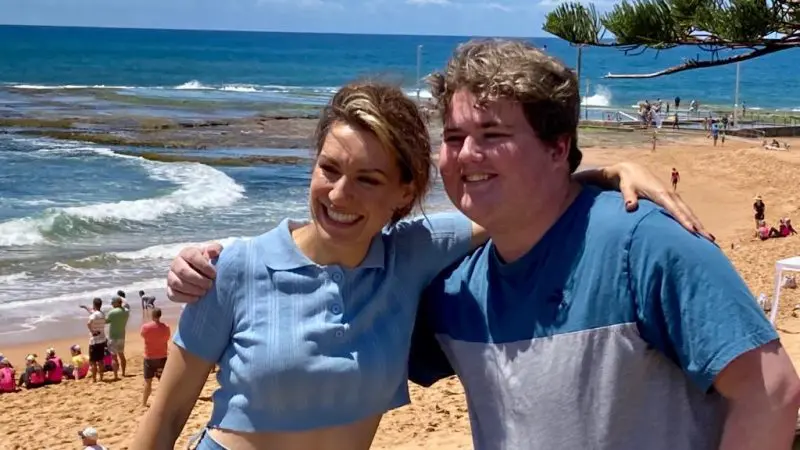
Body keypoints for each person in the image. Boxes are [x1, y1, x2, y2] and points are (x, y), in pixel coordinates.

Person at [155, 84, 709, 449]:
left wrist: (616, 170)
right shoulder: (234, 269)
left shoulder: (411, 253)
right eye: (329, 169)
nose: (339, 194)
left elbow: (517, 201)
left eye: (368, 179)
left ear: (404, 192)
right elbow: (166, 415)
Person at [140, 307, 171, 407]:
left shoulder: (146, 327)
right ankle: (165, 401)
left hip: (149, 357)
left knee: (148, 382)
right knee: (162, 382)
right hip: (162, 357)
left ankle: (144, 403)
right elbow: (167, 338)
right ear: (160, 315)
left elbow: (143, 336)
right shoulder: (166, 327)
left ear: (152, 316)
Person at [81, 297, 107, 382]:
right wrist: (85, 307)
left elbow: (88, 323)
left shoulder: (94, 315)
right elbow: (91, 311)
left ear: (94, 305)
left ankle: (94, 379)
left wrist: (92, 331)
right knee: (100, 360)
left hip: (94, 341)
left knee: (93, 361)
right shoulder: (102, 314)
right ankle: (101, 377)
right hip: (102, 340)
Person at [106, 295, 131, 379]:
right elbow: (126, 305)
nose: (112, 304)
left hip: (113, 336)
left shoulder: (112, 312)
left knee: (113, 356)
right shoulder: (126, 311)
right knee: (121, 355)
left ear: (116, 303)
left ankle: (115, 375)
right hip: (122, 336)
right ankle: (123, 373)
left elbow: (106, 321)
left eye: (113, 302)